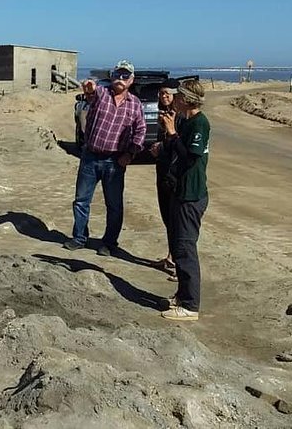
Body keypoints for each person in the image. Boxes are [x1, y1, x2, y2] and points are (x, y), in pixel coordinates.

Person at [63, 60, 147, 256]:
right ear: (112, 76)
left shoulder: (134, 104)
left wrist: (131, 153)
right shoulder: (102, 93)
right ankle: (79, 238)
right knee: (81, 201)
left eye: (125, 76)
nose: (120, 78)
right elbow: (90, 90)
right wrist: (90, 87)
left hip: (115, 162)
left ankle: (109, 243)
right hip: (90, 157)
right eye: (118, 74)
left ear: (131, 80)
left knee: (114, 205)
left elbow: (140, 130)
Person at [157, 79, 210, 321]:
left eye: (177, 96)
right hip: (179, 191)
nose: (172, 98)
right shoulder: (185, 121)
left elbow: (190, 157)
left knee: (186, 248)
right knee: (178, 245)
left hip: (191, 194)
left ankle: (190, 305)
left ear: (187, 99)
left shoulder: (199, 123)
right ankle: (182, 295)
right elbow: (175, 151)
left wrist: (172, 133)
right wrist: (169, 136)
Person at [149, 79, 181, 280]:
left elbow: (179, 144)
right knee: (166, 217)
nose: (164, 96)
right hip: (162, 170)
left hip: (174, 173)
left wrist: (162, 147)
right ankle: (171, 256)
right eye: (161, 93)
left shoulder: (180, 117)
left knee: (177, 220)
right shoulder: (163, 115)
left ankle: (180, 265)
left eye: (168, 93)